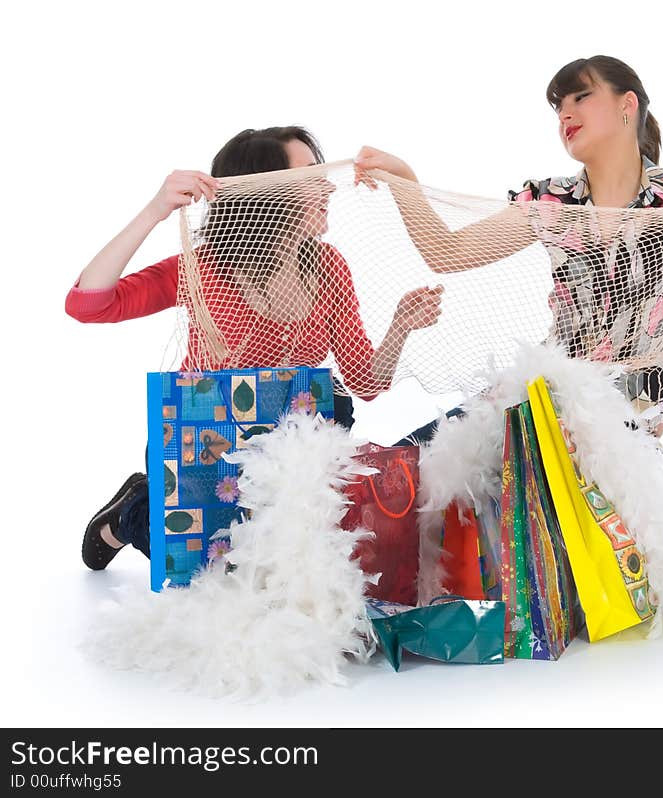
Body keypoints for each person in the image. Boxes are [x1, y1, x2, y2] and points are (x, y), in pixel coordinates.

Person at [354, 55, 663, 440]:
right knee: (410, 469)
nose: (565, 113)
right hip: (541, 410)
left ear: (627, 104)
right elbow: (446, 252)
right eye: (558, 106)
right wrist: (405, 180)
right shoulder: (552, 202)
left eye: (580, 97)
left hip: (626, 429)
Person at [66, 125, 443, 569]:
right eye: (310, 175)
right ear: (266, 191)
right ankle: (132, 513)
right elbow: (88, 304)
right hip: (206, 450)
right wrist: (155, 210)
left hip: (291, 454)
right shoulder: (204, 267)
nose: (327, 186)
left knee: (296, 567)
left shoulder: (328, 266)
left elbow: (365, 382)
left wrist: (400, 325)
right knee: (212, 570)